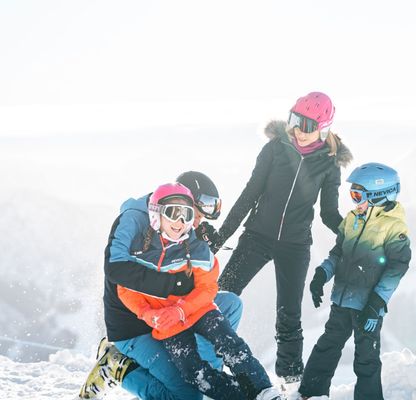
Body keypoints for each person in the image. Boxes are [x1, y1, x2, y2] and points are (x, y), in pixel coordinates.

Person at [200, 92, 352, 386]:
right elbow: (249, 195)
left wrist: (354, 233)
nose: (298, 130)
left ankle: (291, 378)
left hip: (295, 245)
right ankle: (207, 360)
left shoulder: (328, 164)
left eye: (307, 125)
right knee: (220, 296)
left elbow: (329, 213)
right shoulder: (274, 149)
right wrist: (220, 238)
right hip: (257, 235)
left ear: (322, 128)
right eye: (295, 120)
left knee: (289, 314)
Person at [78, 173, 248, 400]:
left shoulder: (180, 226)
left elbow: (190, 276)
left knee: (230, 304)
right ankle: (120, 368)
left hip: (169, 312)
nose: (196, 222)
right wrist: (175, 285)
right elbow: (115, 269)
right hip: (134, 321)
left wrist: (204, 250)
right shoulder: (134, 219)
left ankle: (208, 379)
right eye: (196, 214)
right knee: (187, 397)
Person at [111, 182, 282, 400]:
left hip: (200, 312)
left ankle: (263, 390)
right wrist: (147, 313)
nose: (180, 221)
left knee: (229, 345)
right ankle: (238, 396)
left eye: (187, 214)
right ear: (156, 214)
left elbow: (208, 286)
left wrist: (182, 310)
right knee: (193, 372)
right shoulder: (139, 252)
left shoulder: (196, 249)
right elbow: (126, 290)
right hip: (168, 325)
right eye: (173, 213)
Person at [297, 163, 412, 400]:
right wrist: (322, 275)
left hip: (368, 307)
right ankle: (310, 394)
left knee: (366, 358)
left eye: (358, 195)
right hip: (342, 299)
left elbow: (397, 267)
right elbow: (338, 253)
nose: (354, 201)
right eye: (352, 194)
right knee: (327, 346)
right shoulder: (352, 220)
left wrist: (376, 303)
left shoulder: (394, 227)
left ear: (379, 196)